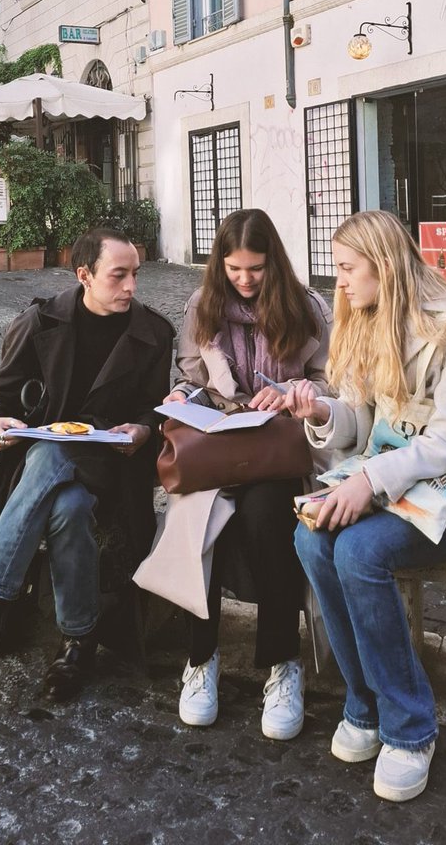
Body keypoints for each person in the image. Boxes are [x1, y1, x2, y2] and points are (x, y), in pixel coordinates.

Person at [287, 210, 446, 803]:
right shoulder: (365, 317)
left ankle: (410, 728)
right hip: (394, 483)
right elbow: (362, 418)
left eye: (346, 269)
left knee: (359, 549)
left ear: (383, 265)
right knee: (312, 536)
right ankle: (362, 701)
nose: (339, 282)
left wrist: (368, 484)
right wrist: (323, 415)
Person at [0, 227, 174, 701]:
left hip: (115, 470)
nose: (132, 286)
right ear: (84, 275)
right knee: (67, 504)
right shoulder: (40, 322)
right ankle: (78, 641)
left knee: (54, 452)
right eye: (119, 276)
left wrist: (143, 430)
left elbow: (156, 409)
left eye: (136, 274)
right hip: (49, 473)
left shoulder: (153, 334)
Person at [150, 209, 331, 740]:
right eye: (234, 269)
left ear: (273, 262)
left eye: (255, 268)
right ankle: (199, 659)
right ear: (219, 265)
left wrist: (298, 393)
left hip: (278, 452)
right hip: (217, 450)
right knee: (198, 524)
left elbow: (333, 381)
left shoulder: (306, 307)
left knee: (268, 517)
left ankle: (283, 664)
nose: (246, 280)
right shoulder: (202, 308)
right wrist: (180, 398)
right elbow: (192, 379)